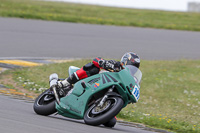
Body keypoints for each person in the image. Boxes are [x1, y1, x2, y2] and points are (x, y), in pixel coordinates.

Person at [56, 52, 140, 97]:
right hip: (95, 82)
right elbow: (96, 60)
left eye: (134, 67)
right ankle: (65, 83)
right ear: (125, 61)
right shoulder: (116, 65)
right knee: (92, 68)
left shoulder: (133, 80)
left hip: (107, 94)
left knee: (111, 122)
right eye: (131, 64)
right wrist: (104, 63)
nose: (132, 68)